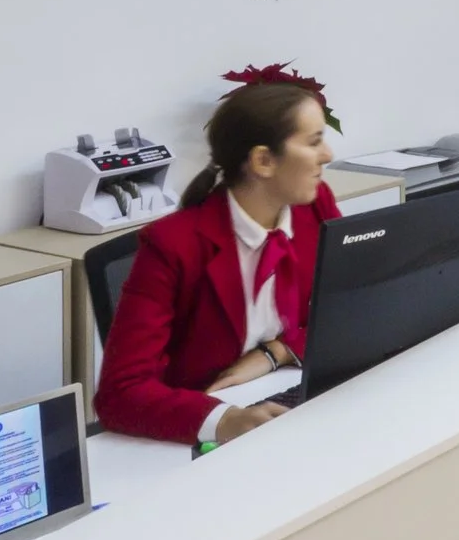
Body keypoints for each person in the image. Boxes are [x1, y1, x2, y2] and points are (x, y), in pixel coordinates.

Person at [96, 83, 342, 446]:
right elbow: (120, 393)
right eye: (313, 141)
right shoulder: (172, 245)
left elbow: (345, 310)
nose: (328, 154)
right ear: (263, 161)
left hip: (280, 394)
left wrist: (274, 353)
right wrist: (224, 420)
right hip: (200, 429)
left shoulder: (313, 205)